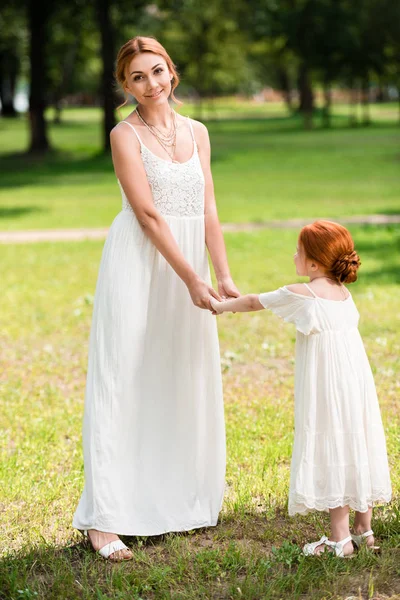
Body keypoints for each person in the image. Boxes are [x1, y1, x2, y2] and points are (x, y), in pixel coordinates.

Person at [72, 35, 239, 561]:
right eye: (138, 77)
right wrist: (191, 277)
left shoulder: (198, 132)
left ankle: (175, 500)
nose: (151, 84)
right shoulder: (124, 135)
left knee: (180, 375)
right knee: (123, 379)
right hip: (141, 265)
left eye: (158, 71)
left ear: (173, 71)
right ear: (125, 85)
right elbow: (147, 216)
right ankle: (104, 520)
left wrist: (223, 274)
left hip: (189, 265)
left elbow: (208, 206)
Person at [211, 220, 392, 558]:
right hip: (356, 384)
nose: (293, 255)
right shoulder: (343, 293)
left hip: (328, 387)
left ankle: (340, 539)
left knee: (332, 442)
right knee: (356, 439)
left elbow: (253, 302)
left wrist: (220, 306)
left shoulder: (305, 295)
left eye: (299, 251)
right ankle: (364, 529)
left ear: (313, 263)